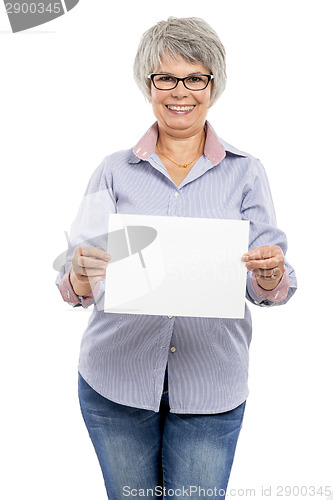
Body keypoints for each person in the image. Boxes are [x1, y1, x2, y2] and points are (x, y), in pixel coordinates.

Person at [56, 16, 297, 499]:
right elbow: (73, 278)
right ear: (148, 85)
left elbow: (270, 281)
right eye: (165, 77)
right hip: (115, 382)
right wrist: (80, 273)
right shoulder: (113, 172)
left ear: (213, 84)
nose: (180, 91)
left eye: (195, 77)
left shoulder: (247, 174)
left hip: (211, 386)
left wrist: (271, 274)